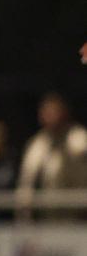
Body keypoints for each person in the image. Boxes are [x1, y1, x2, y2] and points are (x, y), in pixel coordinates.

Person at [16, 92, 87, 220]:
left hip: (78, 213)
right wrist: (24, 214)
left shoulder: (80, 139)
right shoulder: (37, 144)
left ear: (64, 113)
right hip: (46, 215)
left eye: (54, 112)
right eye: (46, 113)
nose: (50, 117)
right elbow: (26, 183)